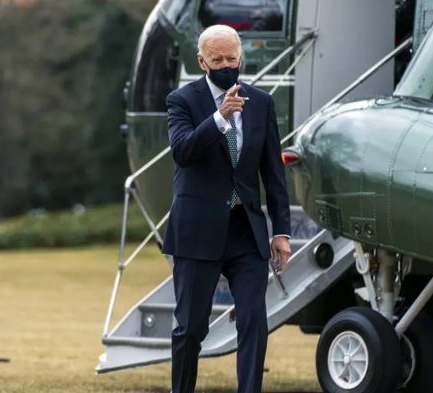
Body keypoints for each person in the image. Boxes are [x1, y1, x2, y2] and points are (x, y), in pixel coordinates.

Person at [162, 25, 291, 393]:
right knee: (191, 328)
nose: (225, 65)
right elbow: (183, 152)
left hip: (245, 231)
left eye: (231, 58)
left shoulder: (261, 103)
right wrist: (219, 118)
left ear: (240, 57)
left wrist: (280, 231)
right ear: (201, 61)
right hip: (198, 230)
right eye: (217, 59)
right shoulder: (181, 100)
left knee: (253, 319)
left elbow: (273, 172)